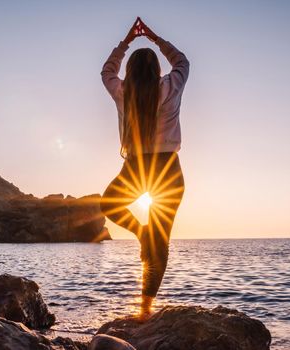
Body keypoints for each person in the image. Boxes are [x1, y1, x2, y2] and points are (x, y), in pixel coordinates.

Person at [99, 17, 190, 319]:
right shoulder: (171, 85)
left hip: (136, 168)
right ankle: (145, 308)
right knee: (159, 243)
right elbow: (182, 62)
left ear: (130, 72)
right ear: (156, 69)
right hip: (168, 171)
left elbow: (107, 71)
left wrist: (126, 42)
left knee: (110, 205)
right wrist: (154, 38)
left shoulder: (123, 91)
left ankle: (142, 234)